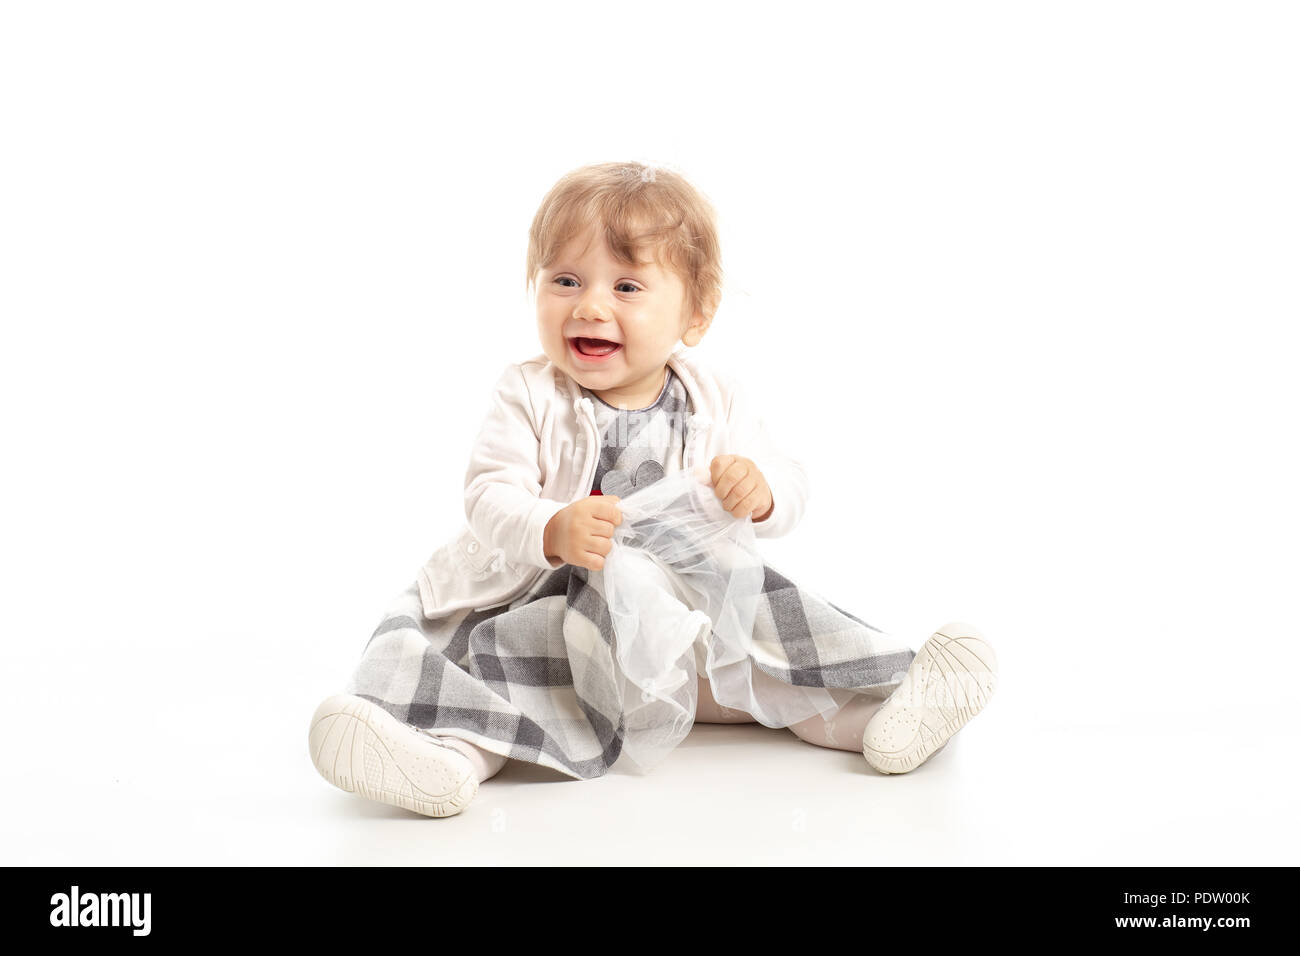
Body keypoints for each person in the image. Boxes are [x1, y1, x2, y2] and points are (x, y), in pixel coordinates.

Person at [308, 161, 998, 818]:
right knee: (499, 672)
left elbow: (786, 475)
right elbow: (490, 493)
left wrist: (759, 491)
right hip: (560, 610)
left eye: (627, 288)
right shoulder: (528, 393)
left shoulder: (712, 395)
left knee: (772, 644)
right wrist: (552, 527)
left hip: (682, 616)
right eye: (567, 281)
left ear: (695, 316)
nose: (590, 307)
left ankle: (884, 710)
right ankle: (442, 760)